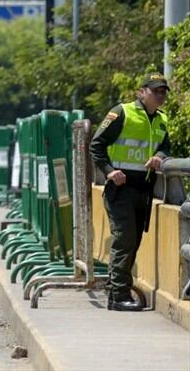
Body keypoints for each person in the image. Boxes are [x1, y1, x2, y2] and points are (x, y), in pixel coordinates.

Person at [89, 72, 170, 311]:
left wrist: (160, 157)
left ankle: (118, 291)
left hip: (143, 190)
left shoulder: (162, 120)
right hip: (120, 189)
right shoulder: (122, 112)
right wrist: (109, 171)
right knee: (124, 240)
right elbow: (96, 144)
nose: (160, 95)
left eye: (163, 91)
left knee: (133, 242)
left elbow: (165, 146)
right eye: (156, 90)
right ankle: (118, 296)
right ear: (142, 91)